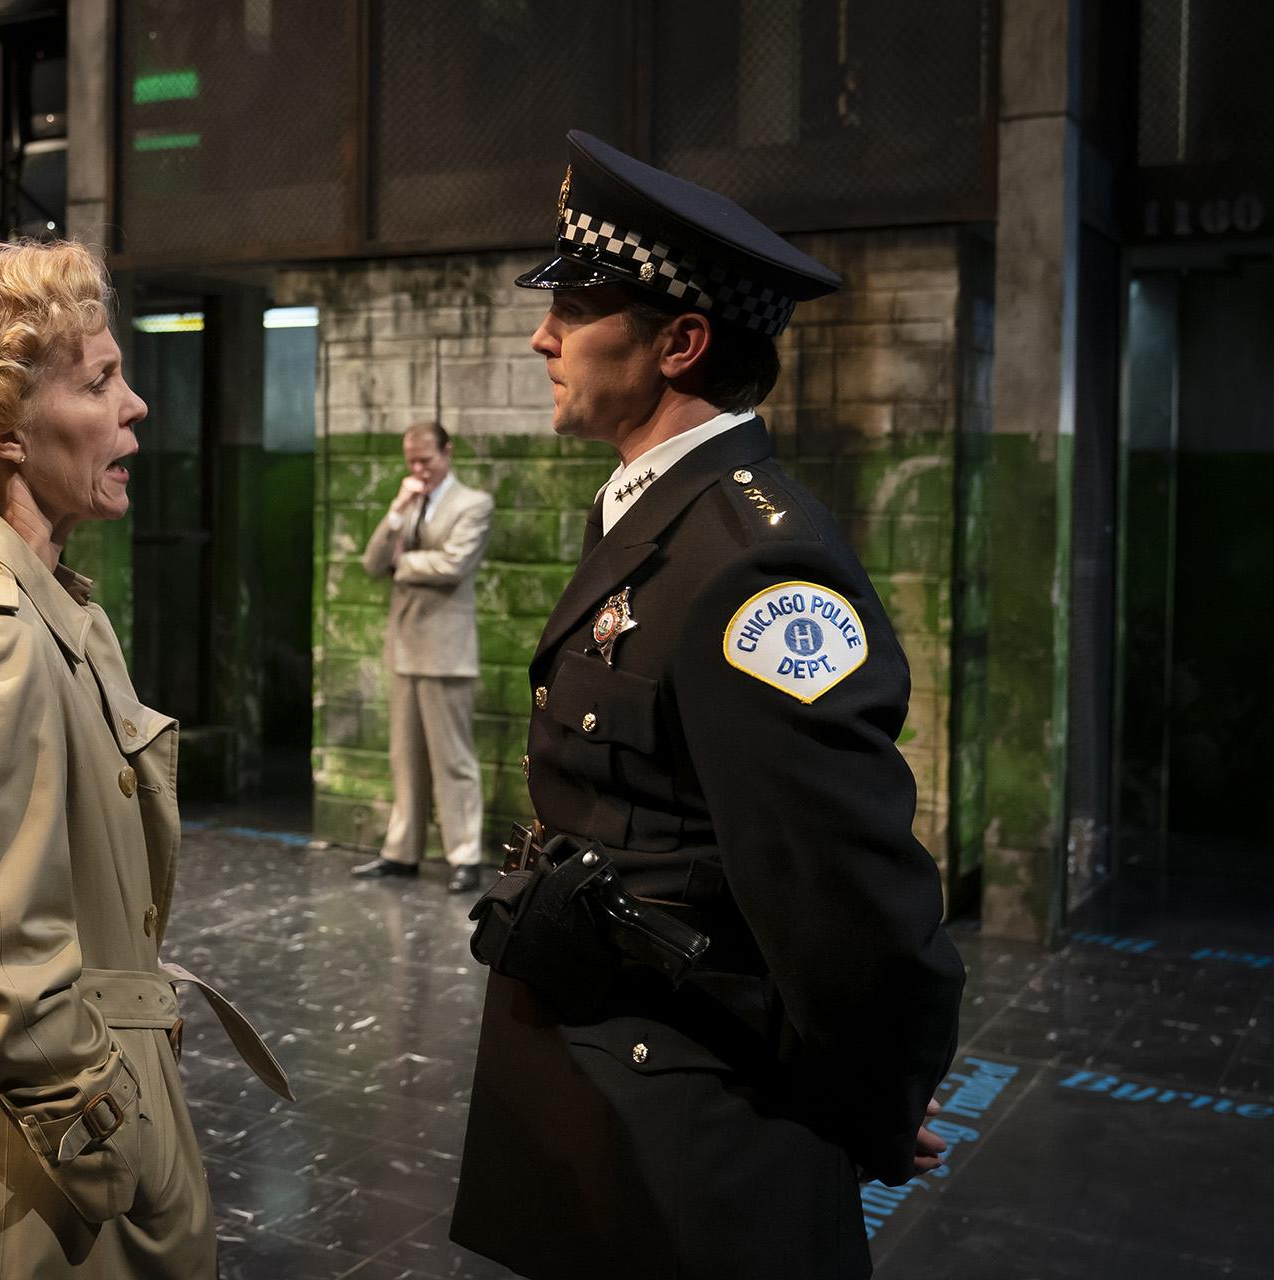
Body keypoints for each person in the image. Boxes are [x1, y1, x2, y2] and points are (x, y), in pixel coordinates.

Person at [451, 132, 966, 1278]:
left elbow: (846, 893)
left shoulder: (757, 568)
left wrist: (880, 1097)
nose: (543, 335)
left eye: (575, 309)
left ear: (679, 340)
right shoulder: (653, 511)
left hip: (705, 1135)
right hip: (620, 1094)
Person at [0, 240, 288, 1279]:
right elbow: (3, 962)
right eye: (99, 381)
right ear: (0, 430)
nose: (137, 407)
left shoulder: (33, 594)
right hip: (5, 1164)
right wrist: (119, 1152)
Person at [350, 421, 495, 894]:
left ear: (446, 453)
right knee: (404, 757)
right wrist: (394, 512)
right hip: (405, 647)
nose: (418, 470)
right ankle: (401, 851)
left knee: (453, 759)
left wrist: (403, 563)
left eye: (426, 461)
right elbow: (371, 564)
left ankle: (464, 855)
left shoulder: (472, 504)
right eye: (411, 461)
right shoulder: (409, 503)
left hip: (446, 649)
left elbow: (454, 565)